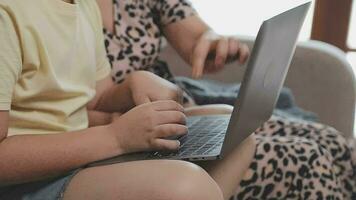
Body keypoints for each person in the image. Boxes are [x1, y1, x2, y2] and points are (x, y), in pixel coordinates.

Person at [95, 0, 356, 199]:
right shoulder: (66, 14)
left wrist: (212, 43)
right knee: (308, 159)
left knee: (333, 142)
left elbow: (196, 34)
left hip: (182, 111)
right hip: (144, 132)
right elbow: (84, 111)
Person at [0, 0, 258, 199]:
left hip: (83, 157)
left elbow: (96, 99)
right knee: (187, 186)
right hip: (29, 183)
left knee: (231, 130)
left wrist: (134, 82)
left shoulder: (83, 6)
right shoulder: (8, 13)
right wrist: (115, 138)